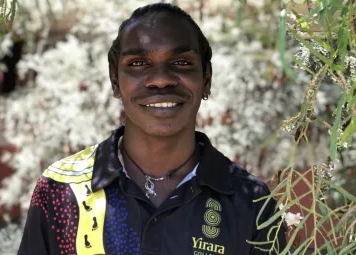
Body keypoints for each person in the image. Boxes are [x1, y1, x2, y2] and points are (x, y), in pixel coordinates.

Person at [18, 3, 287, 255]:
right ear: (115, 80)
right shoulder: (60, 190)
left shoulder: (251, 202)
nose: (160, 80)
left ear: (206, 79)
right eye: (138, 63)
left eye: (181, 62)